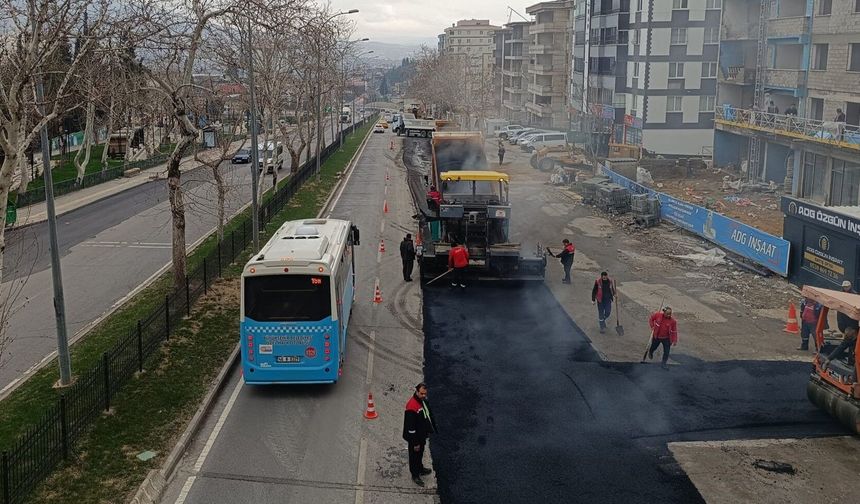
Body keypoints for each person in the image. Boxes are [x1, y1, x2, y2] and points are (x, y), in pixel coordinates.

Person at [402, 383, 438, 487]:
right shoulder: (411, 407)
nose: (423, 395)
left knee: (420, 453)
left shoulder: (422, 401)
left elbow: (426, 415)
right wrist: (415, 443)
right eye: (421, 393)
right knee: (414, 456)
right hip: (415, 438)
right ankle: (415, 475)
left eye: (425, 394)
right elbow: (411, 429)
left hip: (421, 435)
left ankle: (420, 468)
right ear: (417, 391)